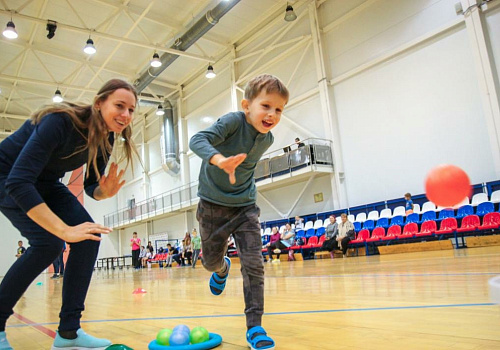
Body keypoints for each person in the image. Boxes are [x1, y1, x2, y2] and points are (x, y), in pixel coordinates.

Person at [0, 78, 136, 349]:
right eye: (120, 106)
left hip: (46, 182)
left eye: (131, 110)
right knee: (49, 244)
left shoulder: (106, 136)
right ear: (99, 103)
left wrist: (103, 192)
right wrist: (63, 231)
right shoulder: (60, 122)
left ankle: (69, 333)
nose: (126, 115)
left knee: (89, 236)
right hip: (7, 176)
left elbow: (90, 187)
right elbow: (18, 181)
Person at [189, 74, 289, 350]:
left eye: (279, 109)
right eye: (266, 106)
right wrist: (220, 160)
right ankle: (221, 268)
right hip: (212, 205)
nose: (272, 114)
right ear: (247, 106)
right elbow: (197, 139)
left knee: (255, 263)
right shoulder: (233, 122)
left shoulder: (267, 138)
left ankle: (255, 326)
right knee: (209, 262)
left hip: (245, 206)